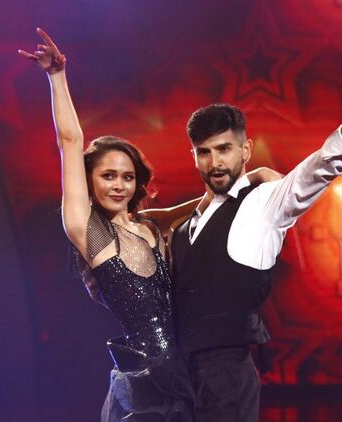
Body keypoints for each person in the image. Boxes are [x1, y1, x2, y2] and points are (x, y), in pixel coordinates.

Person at [18, 28, 281, 421]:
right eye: (108, 176)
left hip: (191, 376)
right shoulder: (90, 232)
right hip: (146, 388)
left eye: (127, 177)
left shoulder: (151, 227)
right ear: (89, 182)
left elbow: (209, 202)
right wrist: (57, 77)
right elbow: (70, 142)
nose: (118, 185)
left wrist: (252, 177)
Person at [169, 29, 342, 421]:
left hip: (226, 375)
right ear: (193, 156)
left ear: (245, 149)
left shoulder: (264, 203)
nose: (215, 162)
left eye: (224, 149)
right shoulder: (185, 225)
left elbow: (324, 162)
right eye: (204, 152)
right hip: (180, 377)